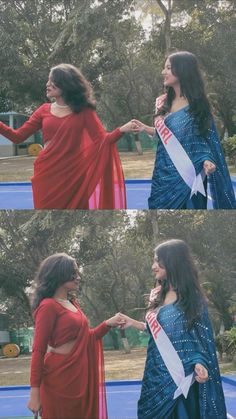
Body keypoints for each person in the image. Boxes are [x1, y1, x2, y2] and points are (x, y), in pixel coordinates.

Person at [0, 64, 135, 209]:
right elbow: (17, 137)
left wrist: (122, 129)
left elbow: (102, 141)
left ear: (65, 84)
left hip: (74, 177)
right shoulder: (43, 110)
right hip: (46, 175)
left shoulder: (84, 111)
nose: (48, 84)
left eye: (53, 81)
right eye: (48, 80)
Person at [119, 239, 227, 419]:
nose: (153, 266)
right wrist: (134, 323)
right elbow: (163, 333)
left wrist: (201, 363)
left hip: (181, 378)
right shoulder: (158, 295)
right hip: (154, 375)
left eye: (157, 261)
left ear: (173, 262)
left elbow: (201, 341)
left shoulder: (193, 300)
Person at [131, 51, 236, 209]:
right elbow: (163, 136)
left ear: (183, 71)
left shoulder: (198, 106)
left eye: (168, 68)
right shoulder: (162, 102)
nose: (163, 72)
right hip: (162, 173)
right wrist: (145, 128)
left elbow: (203, 141)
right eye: (164, 68)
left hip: (189, 174)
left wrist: (207, 160)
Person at [27, 253, 125, 419]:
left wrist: (108, 323)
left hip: (80, 377)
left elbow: (87, 338)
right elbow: (38, 350)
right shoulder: (48, 306)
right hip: (59, 379)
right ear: (59, 273)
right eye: (74, 273)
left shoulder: (73, 304)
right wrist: (34, 394)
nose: (78, 277)